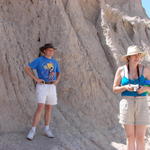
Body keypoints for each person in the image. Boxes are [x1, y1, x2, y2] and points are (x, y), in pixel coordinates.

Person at [113, 45, 150, 150]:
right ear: (128, 57)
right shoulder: (121, 70)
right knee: (130, 137)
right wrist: (125, 87)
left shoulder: (145, 70)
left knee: (140, 137)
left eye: (139, 55)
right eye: (135, 55)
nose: (137, 57)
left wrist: (145, 89)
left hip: (142, 103)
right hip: (126, 103)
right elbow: (114, 89)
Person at [25, 43, 61, 140]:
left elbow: (58, 72)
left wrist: (57, 81)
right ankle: (33, 130)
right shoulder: (39, 60)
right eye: (50, 50)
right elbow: (27, 67)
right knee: (40, 107)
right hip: (42, 86)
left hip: (52, 87)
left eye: (53, 50)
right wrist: (35, 78)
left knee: (49, 108)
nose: (51, 52)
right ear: (44, 50)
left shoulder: (54, 62)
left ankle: (46, 129)